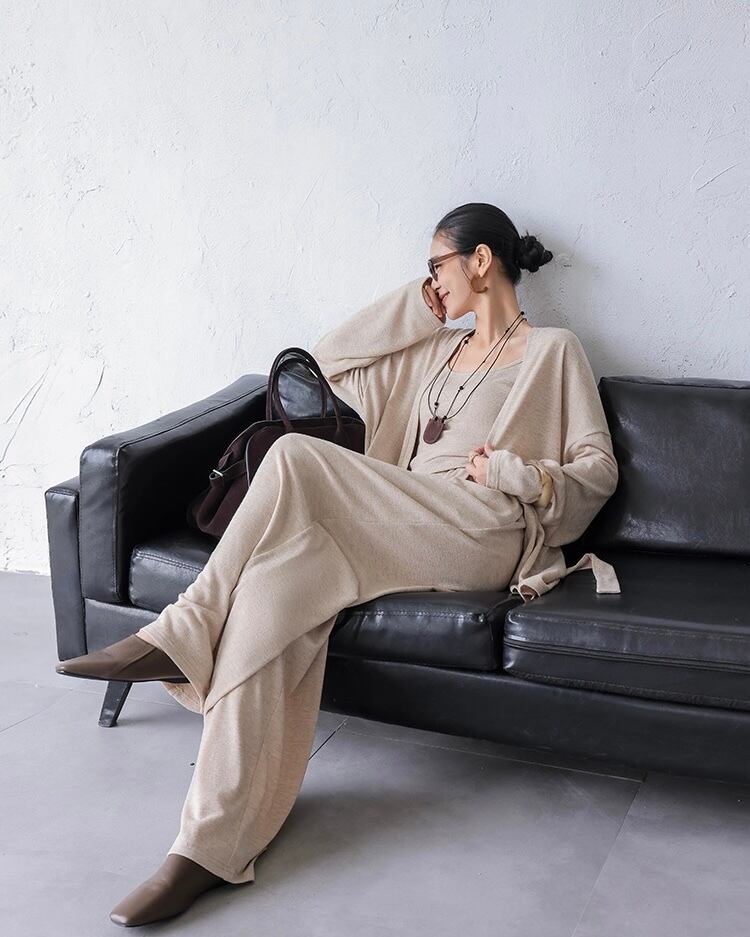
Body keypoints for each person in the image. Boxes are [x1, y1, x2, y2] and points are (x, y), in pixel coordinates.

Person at [54, 202, 619, 926]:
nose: (432, 281)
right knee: (268, 594)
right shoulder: (435, 353)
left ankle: (185, 627)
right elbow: (328, 360)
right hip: (396, 522)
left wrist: (516, 473)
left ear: (481, 261)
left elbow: (596, 473)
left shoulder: (554, 351)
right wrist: (417, 307)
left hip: (486, 528)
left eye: (437, 266)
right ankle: (205, 847)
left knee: (295, 457)